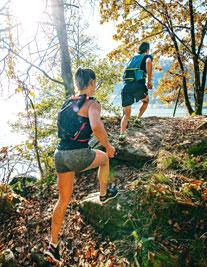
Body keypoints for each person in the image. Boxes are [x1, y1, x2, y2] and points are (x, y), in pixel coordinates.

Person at [44, 68, 119, 263]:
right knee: (104, 158)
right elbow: (95, 126)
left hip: (59, 155)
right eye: (95, 82)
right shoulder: (92, 104)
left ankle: (53, 244)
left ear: (78, 84)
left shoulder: (67, 102)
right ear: (92, 82)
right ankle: (103, 194)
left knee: (63, 200)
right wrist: (108, 146)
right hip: (76, 154)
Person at [119, 42, 153, 141]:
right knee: (146, 101)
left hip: (126, 87)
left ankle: (121, 134)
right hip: (138, 85)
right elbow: (148, 62)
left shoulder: (132, 58)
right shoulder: (146, 56)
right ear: (147, 49)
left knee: (126, 114)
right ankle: (137, 120)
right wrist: (149, 81)